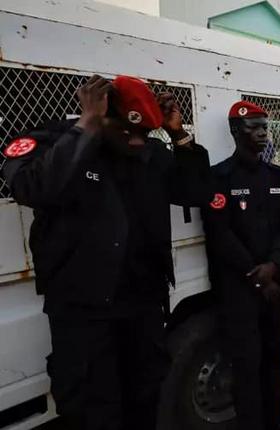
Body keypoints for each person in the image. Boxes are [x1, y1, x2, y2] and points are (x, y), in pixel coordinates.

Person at [1, 75, 211, 430]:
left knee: (146, 399)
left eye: (146, 132)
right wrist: (86, 126)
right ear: (101, 114)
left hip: (143, 306)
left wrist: (179, 135)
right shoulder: (53, 141)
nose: (137, 140)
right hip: (84, 315)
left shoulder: (150, 152)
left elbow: (195, 191)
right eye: (128, 130)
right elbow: (31, 186)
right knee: (91, 411)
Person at [201, 101, 280, 430]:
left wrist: (272, 263)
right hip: (239, 287)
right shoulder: (219, 177)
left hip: (273, 283)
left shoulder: (275, 175)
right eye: (253, 127)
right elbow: (219, 233)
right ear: (235, 131)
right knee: (246, 363)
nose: (261, 134)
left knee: (275, 357)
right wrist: (256, 273)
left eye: (264, 127)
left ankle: (277, 420)